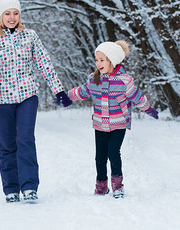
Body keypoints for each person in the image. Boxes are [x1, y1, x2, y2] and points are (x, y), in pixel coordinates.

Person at [0, 0, 72, 203]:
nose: (12, 18)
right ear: (1, 16)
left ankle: (29, 187)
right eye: (7, 14)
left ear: (20, 15)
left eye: (16, 13)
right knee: (7, 144)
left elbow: (44, 63)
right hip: (1, 99)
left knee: (26, 139)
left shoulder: (30, 36)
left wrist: (58, 89)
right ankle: (11, 188)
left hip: (28, 96)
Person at [67, 40, 159, 198]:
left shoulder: (124, 81)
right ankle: (101, 186)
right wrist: (65, 97)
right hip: (99, 125)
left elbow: (137, 96)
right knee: (100, 157)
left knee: (113, 153)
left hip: (119, 124)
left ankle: (117, 186)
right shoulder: (93, 80)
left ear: (112, 61)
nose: (98, 63)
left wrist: (147, 108)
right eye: (97, 59)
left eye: (102, 60)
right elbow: (81, 92)